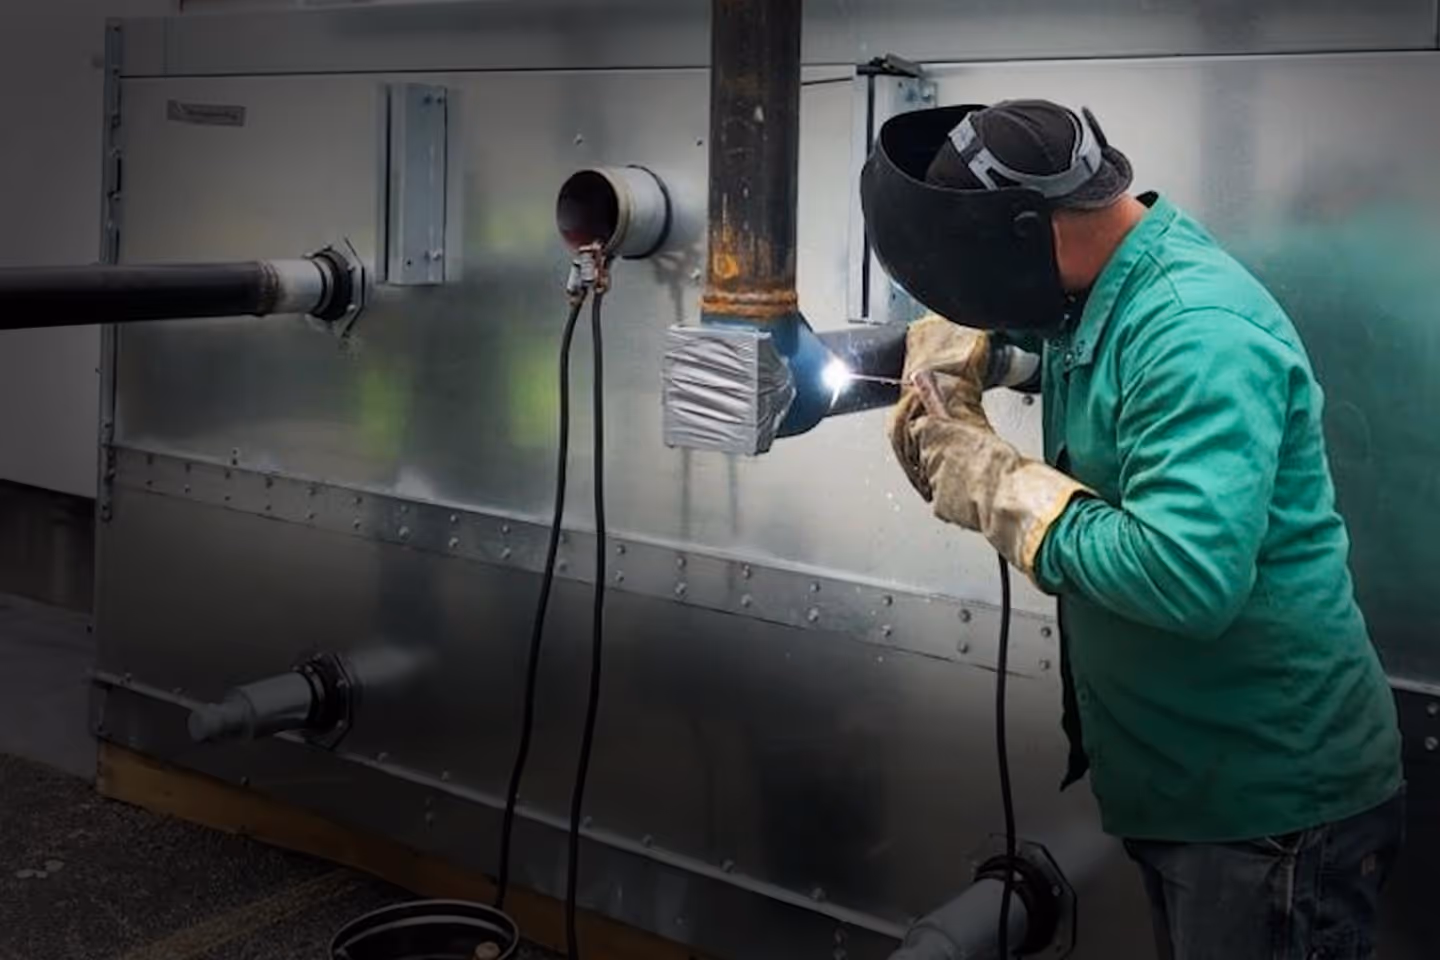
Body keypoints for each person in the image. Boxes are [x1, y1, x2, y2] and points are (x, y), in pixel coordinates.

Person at [867, 99, 1404, 959]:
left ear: (1025, 230)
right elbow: (1096, 361)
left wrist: (994, 484)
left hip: (1266, 810)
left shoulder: (1194, 331)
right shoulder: (1110, 283)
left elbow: (1183, 576)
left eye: (975, 267)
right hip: (1193, 782)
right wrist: (990, 348)